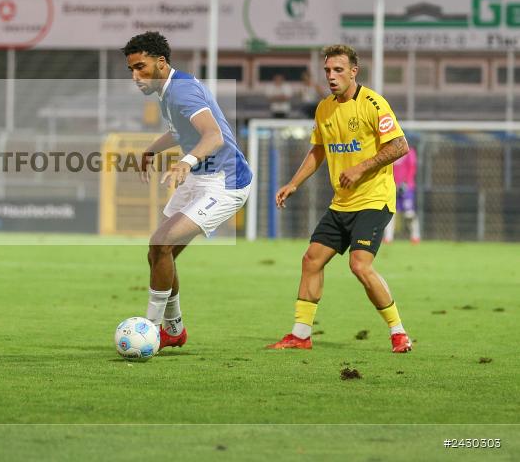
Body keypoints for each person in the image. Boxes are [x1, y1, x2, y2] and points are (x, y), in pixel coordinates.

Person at [268, 44, 413, 354]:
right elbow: (318, 150)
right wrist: (294, 183)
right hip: (341, 203)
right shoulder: (324, 108)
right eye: (327, 71)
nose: (331, 77)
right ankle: (301, 334)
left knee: (359, 265)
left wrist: (361, 167)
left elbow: (400, 146)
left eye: (338, 70)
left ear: (353, 71)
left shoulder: (373, 103)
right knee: (312, 259)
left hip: (374, 200)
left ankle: (398, 332)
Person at [123, 31, 253, 350]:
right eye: (131, 70)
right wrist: (151, 151)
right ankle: (174, 330)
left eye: (141, 67)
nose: (136, 76)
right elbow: (179, 131)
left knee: (161, 243)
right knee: (158, 252)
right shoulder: (169, 90)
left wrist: (185, 162)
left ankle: (150, 330)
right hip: (200, 177)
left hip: (225, 181)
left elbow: (213, 137)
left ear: (161, 62)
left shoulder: (180, 92)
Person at [384, 145, 420, 244]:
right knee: (390, 213)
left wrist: (406, 182)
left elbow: (412, 168)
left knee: (409, 213)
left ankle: (415, 236)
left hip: (407, 187)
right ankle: (388, 238)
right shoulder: (390, 150)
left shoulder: (409, 151)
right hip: (392, 186)